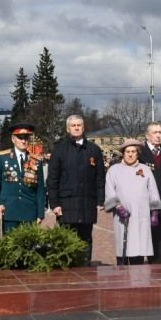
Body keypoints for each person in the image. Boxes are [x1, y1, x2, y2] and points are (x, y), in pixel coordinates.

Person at [47, 114, 105, 266]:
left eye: (79, 125)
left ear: (84, 128)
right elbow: (52, 179)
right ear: (68, 129)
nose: (76, 127)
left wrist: (100, 200)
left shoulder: (94, 150)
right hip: (66, 204)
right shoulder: (59, 150)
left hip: (87, 202)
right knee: (66, 240)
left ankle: (85, 268)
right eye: (73, 125)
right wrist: (54, 204)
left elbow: (100, 178)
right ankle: (68, 271)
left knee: (86, 239)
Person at [104, 139, 161, 265]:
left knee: (139, 248)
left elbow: (153, 190)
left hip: (141, 215)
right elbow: (110, 190)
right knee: (124, 247)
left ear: (137, 153)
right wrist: (118, 207)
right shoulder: (114, 170)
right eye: (127, 152)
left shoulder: (145, 169)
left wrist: (154, 212)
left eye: (133, 152)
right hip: (123, 216)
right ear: (123, 153)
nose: (130, 154)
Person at [0, 122, 46, 234]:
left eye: (26, 138)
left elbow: (40, 189)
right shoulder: (2, 157)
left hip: (30, 212)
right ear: (13, 139)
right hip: (9, 211)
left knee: (29, 249)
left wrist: (40, 213)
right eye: (20, 138)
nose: (24, 141)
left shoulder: (36, 159)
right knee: (10, 248)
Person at [137, 122, 161, 264]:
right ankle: (137, 262)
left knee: (158, 235)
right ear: (147, 135)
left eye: (160, 132)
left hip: (160, 201)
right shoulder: (139, 151)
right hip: (142, 201)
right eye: (155, 132)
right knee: (141, 233)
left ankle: (156, 263)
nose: (158, 135)